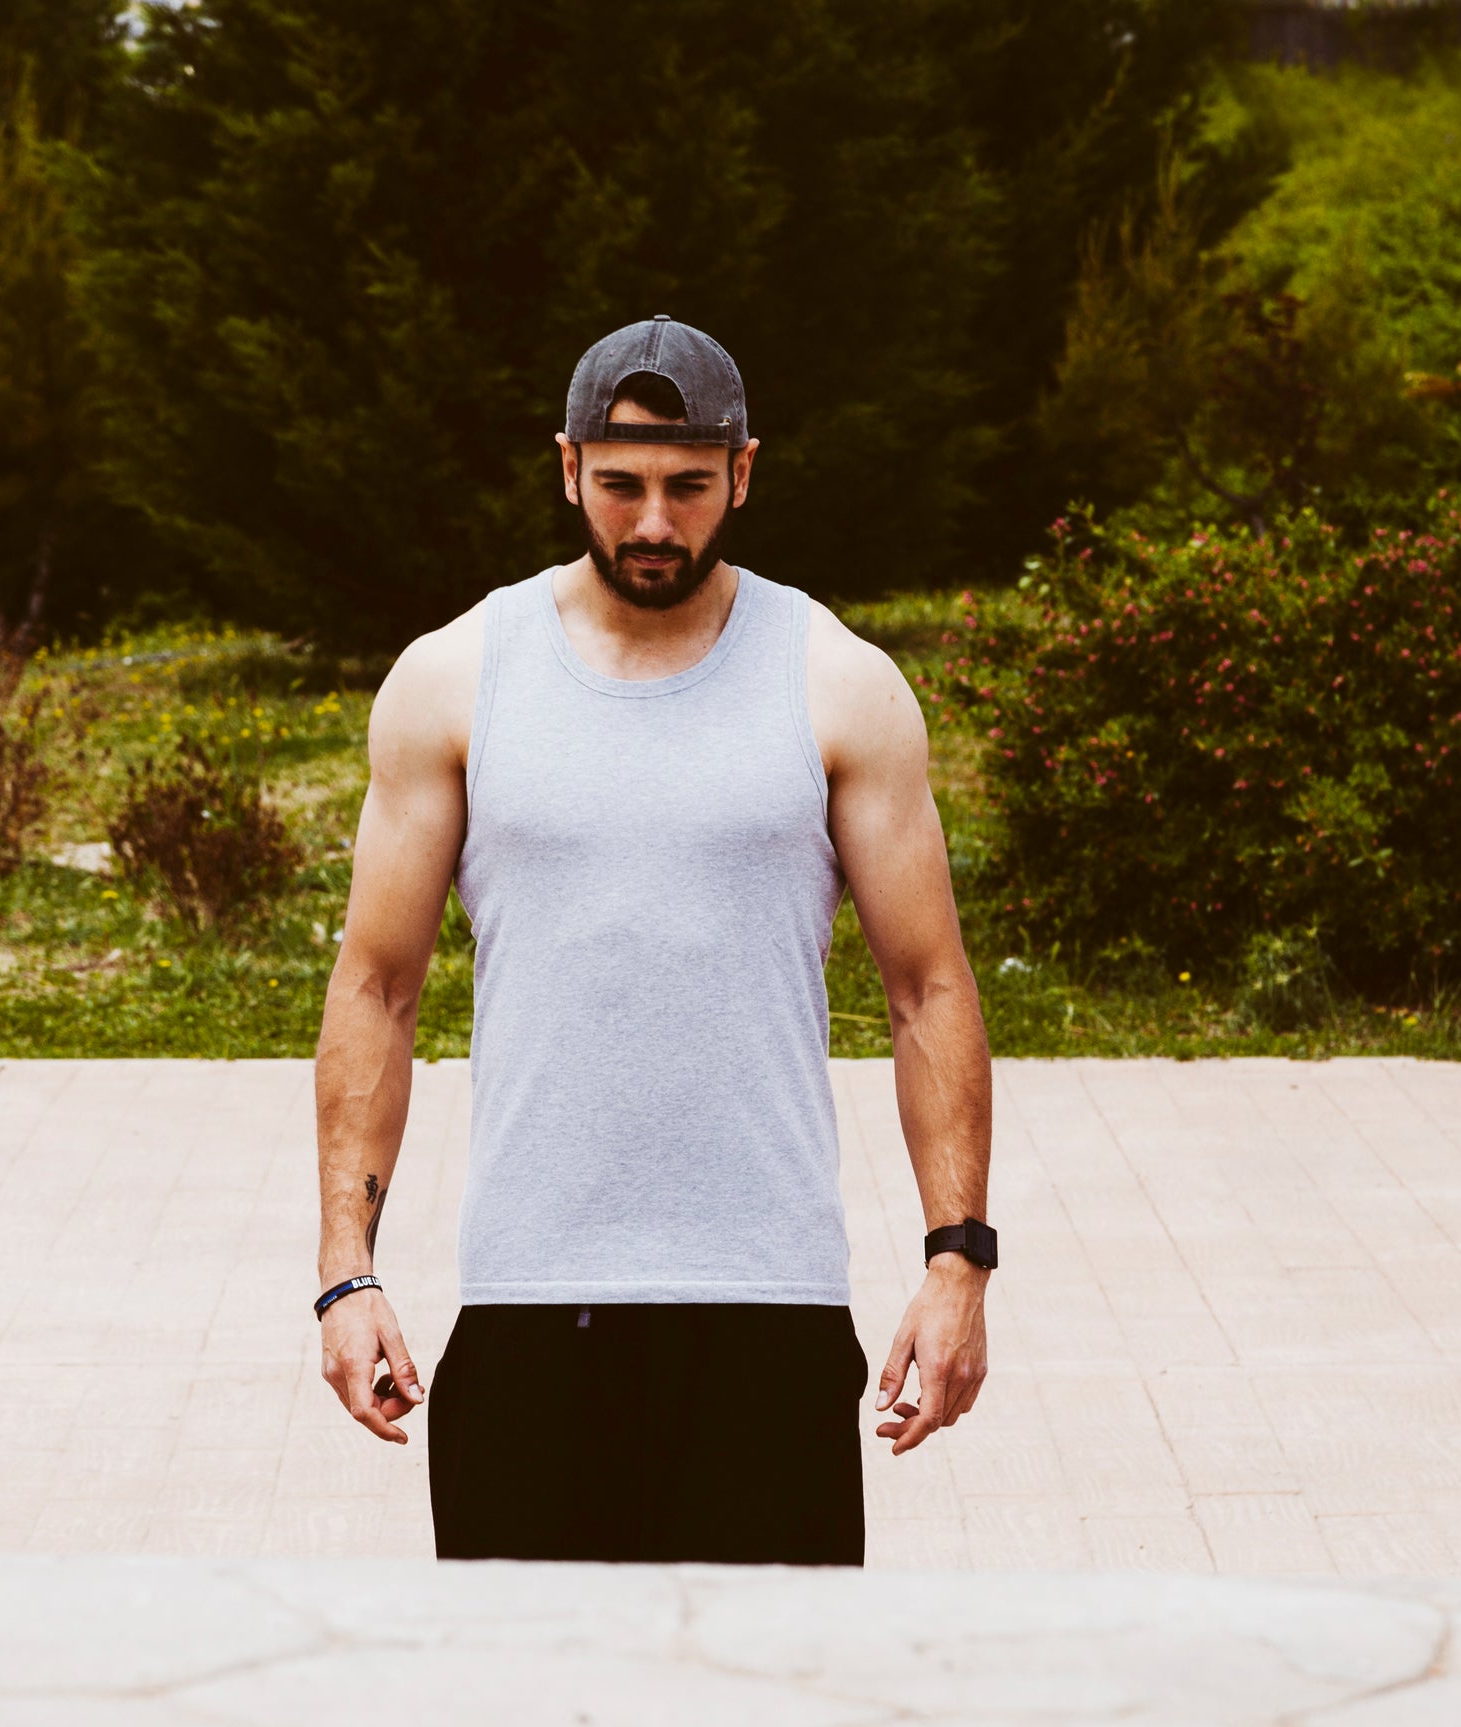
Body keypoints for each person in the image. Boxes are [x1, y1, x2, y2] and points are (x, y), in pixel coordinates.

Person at [309, 314, 996, 1565]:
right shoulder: (457, 678)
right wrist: (346, 1271)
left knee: (766, 1721)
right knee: (530, 1724)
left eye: (688, 486)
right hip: (527, 1300)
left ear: (743, 472)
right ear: (567, 467)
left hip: (769, 1307)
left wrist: (959, 1266)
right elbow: (377, 986)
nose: (654, 524)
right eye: (621, 485)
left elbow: (929, 985)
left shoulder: (835, 681)